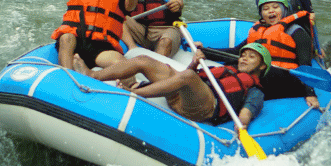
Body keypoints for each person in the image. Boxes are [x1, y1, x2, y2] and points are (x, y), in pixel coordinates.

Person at [85, 42, 272, 131]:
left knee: (188, 76)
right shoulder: (226, 70)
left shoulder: (256, 89)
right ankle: (93, 75)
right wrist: (195, 64)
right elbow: (193, 77)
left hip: (202, 108)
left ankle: (133, 93)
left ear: (262, 66)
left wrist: (243, 124)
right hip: (179, 95)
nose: (244, 58)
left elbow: (249, 109)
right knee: (143, 60)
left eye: (251, 56)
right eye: (243, 54)